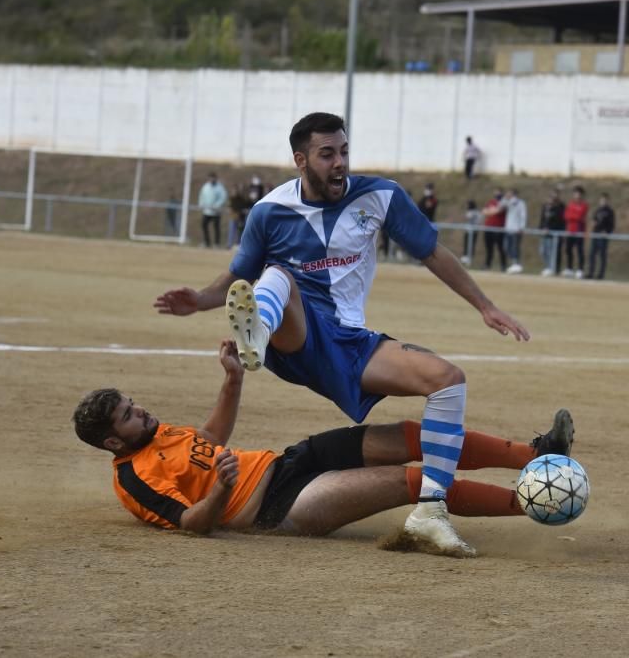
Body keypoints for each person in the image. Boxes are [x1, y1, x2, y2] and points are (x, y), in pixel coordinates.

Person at [153, 112, 529, 558]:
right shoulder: (270, 211)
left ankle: (430, 513)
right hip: (296, 337)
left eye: (344, 151)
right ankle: (258, 333)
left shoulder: (381, 197)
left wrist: (484, 306)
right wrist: (199, 300)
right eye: (327, 154)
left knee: (447, 380)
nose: (340, 163)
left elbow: (432, 252)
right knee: (276, 276)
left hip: (352, 342)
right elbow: (237, 276)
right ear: (301, 160)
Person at [71, 340, 574, 554]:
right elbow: (190, 525)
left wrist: (232, 380)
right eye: (129, 415)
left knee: (412, 436)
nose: (142, 411)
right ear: (114, 440)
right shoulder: (133, 479)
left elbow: (210, 441)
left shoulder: (159, 433)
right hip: (276, 507)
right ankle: (537, 502)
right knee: (417, 483)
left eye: (134, 404)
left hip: (289, 460)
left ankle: (538, 455)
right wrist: (223, 491)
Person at [586, 193, 615, 280]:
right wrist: (592, 229)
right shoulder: (597, 211)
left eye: (605, 200)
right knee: (592, 254)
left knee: (602, 255)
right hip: (595, 235)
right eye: (602, 200)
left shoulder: (610, 212)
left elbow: (612, 224)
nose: (603, 202)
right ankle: (591, 272)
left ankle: (601, 274)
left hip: (603, 236)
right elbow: (593, 221)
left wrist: (607, 232)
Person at [538, 189, 565, 277]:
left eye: (555, 196)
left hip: (553, 233)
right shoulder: (545, 207)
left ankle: (551, 268)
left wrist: (550, 229)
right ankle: (548, 266)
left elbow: (559, 221)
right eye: (551, 196)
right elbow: (542, 219)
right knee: (543, 251)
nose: (553, 198)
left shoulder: (560, 207)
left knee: (551, 252)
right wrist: (541, 228)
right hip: (544, 233)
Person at [563, 186, 588, 279]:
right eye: (575, 193)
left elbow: (580, 217)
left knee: (580, 251)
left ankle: (580, 270)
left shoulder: (584, 205)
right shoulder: (570, 204)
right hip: (570, 231)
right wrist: (573, 216)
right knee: (568, 250)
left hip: (579, 231)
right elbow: (566, 216)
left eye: (579, 194)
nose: (577, 196)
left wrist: (573, 216)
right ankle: (569, 268)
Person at [198, 172, 228, 248]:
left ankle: (216, 243)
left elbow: (223, 197)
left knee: (216, 227)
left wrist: (217, 205)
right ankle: (206, 242)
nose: (211, 179)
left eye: (213, 178)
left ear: (215, 178)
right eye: (210, 178)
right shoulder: (206, 186)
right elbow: (201, 195)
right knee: (204, 225)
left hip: (216, 212)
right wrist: (201, 204)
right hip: (207, 211)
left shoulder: (220, 187)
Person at [481, 188, 508, 271]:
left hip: (499, 229)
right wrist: (492, 211)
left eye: (498, 193)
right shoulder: (491, 202)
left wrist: (491, 211)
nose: (497, 194)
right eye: (495, 193)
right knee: (489, 249)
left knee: (501, 248)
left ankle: (503, 266)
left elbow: (498, 211)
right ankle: (487, 265)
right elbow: (484, 211)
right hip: (488, 228)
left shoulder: (504, 203)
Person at [502, 188, 527, 274]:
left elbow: (523, 215)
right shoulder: (507, 202)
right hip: (508, 228)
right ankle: (514, 263)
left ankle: (516, 264)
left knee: (515, 248)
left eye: (509, 193)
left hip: (516, 229)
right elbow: (501, 205)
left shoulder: (520, 203)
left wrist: (522, 227)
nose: (507, 195)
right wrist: (505, 198)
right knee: (506, 247)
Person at [460, 199, 482, 266]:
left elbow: (467, 217)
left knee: (470, 244)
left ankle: (468, 257)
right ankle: (466, 257)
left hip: (473, 230)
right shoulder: (477, 212)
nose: (466, 206)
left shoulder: (472, 212)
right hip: (470, 230)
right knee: (467, 243)